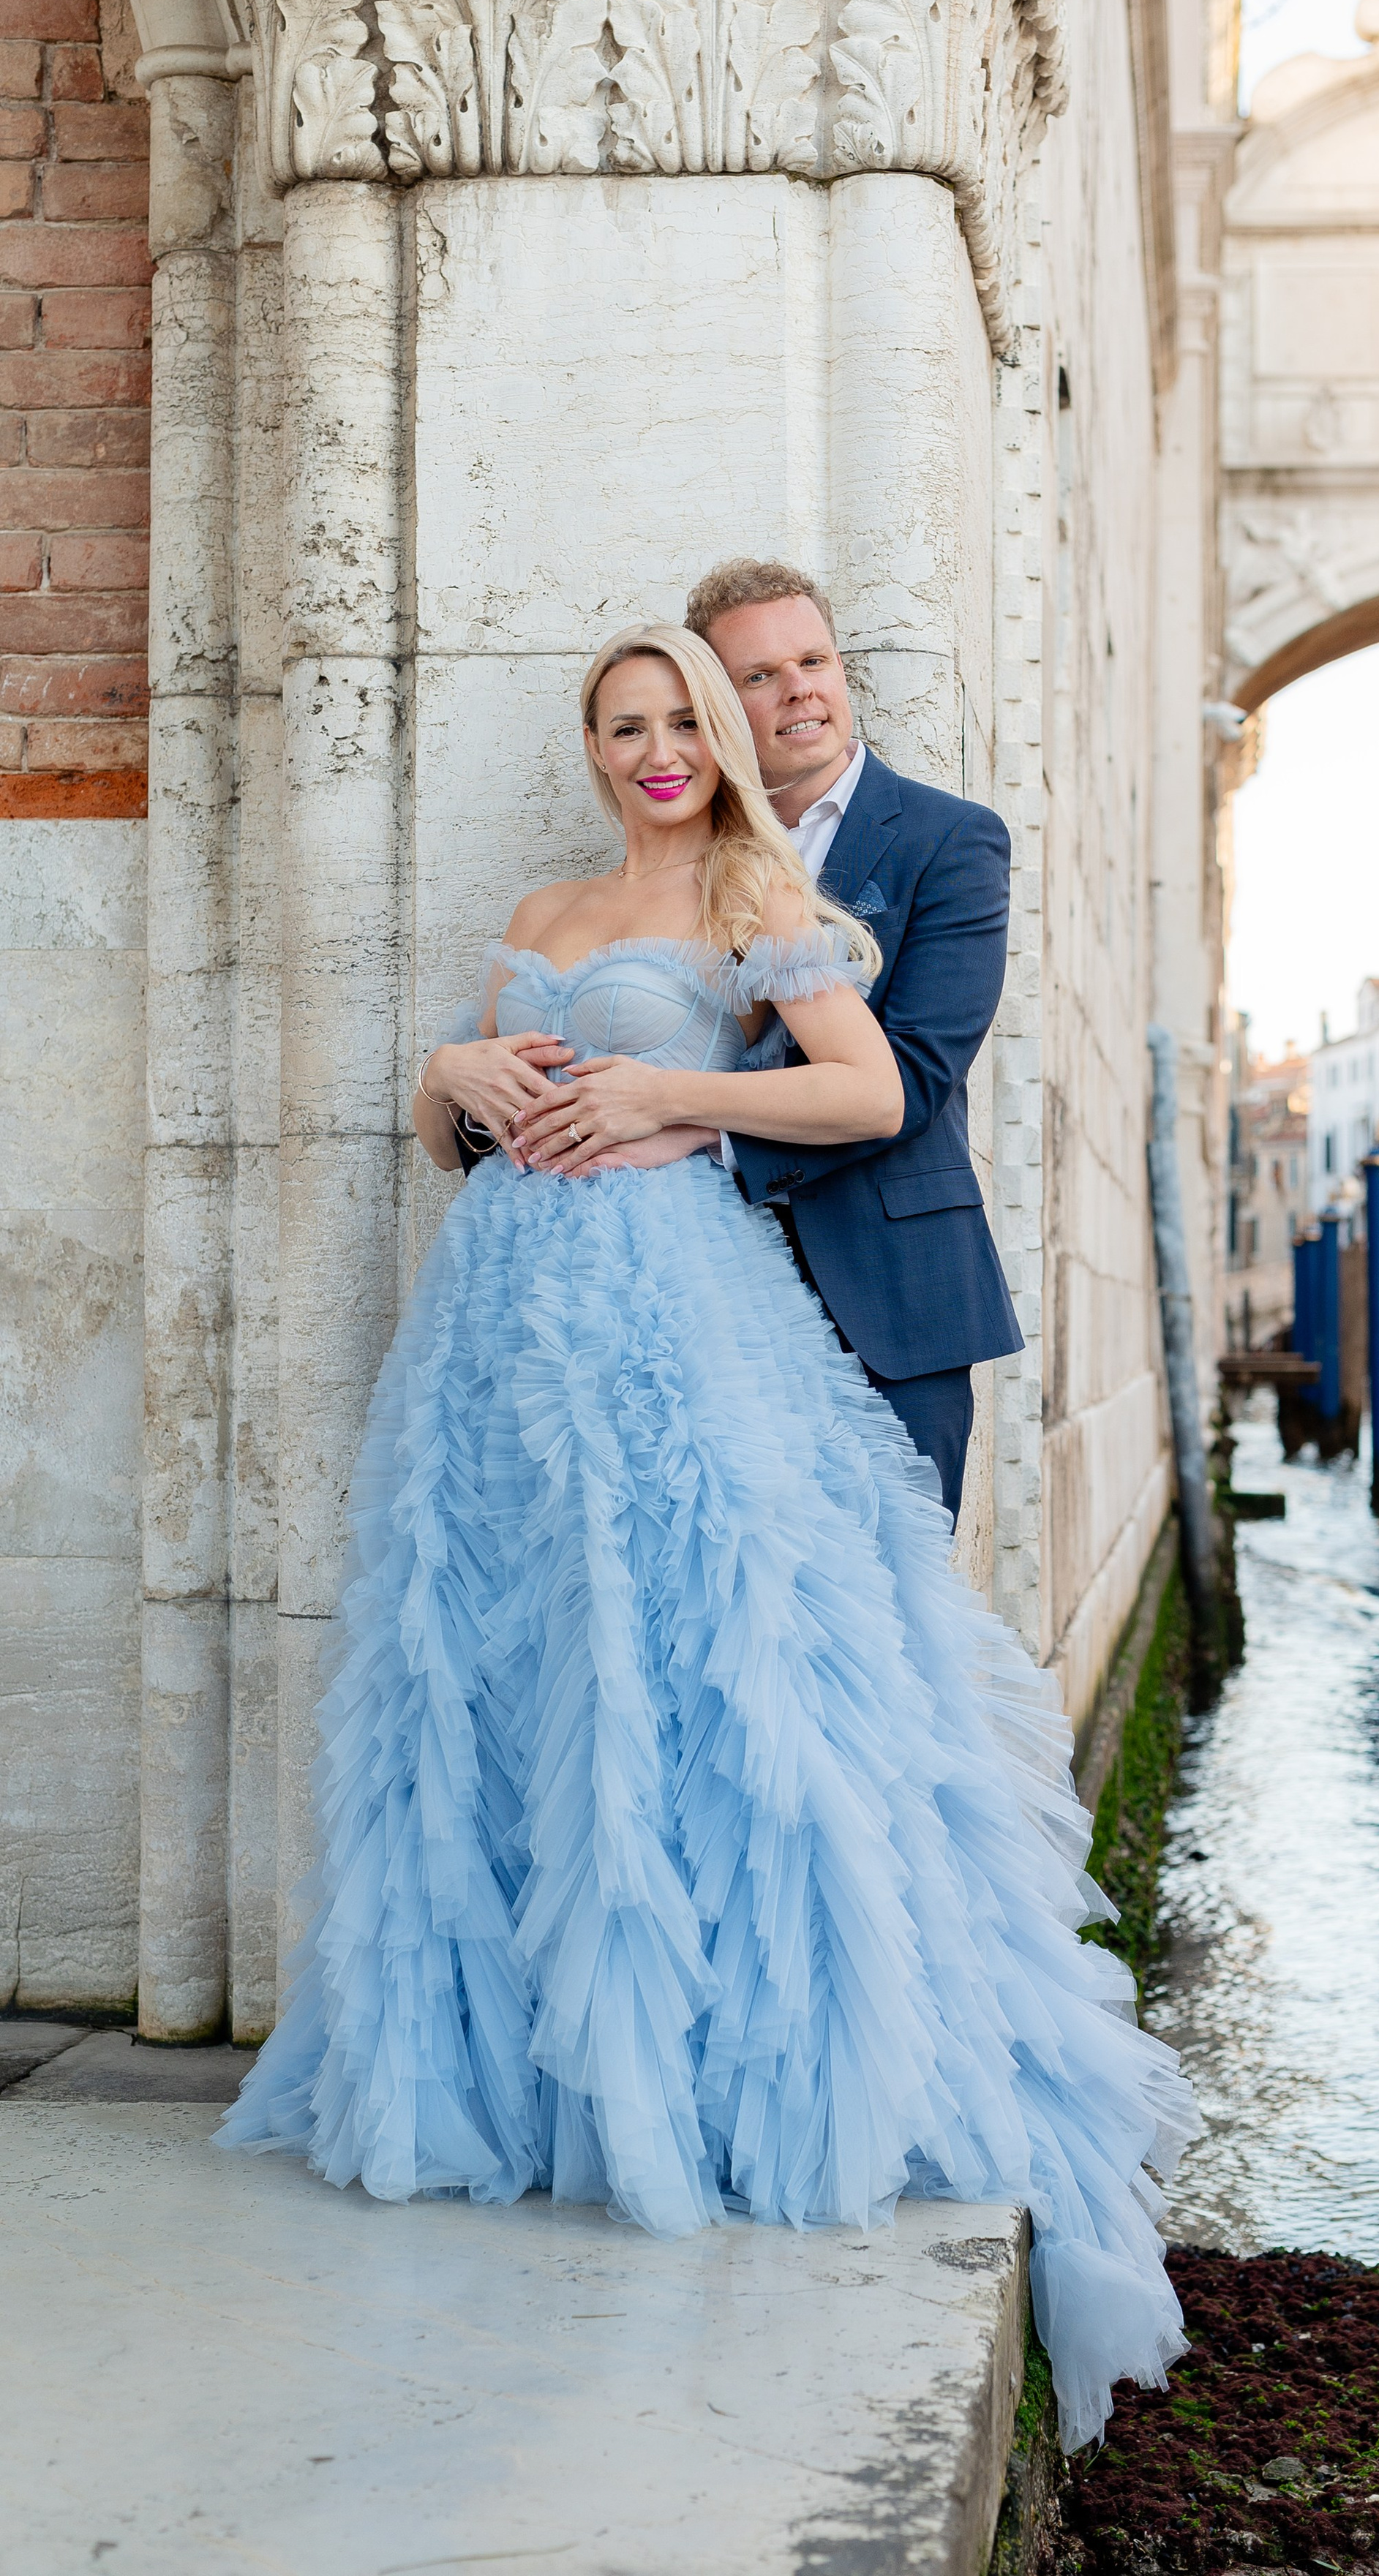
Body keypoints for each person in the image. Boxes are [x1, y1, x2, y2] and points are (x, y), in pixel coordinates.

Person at [219, 619, 1196, 2452]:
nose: (658, 749)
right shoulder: (547, 893)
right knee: (510, 1663)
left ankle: (700, 2080)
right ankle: (525, 2075)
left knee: (690, 1661)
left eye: (684, 720)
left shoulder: (756, 883)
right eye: (625, 725)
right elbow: (457, 1128)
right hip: (500, 1334)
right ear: (590, 746)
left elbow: (868, 1090)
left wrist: (676, 1093)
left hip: (674, 1327)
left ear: (723, 739)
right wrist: (456, 1070)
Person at [514, 558, 1021, 1524]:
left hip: (885, 1299)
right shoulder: (662, 877)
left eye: (814, 661)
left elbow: (907, 1083)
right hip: (694, 1312)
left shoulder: (949, 842)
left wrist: (690, 1118)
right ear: (714, 705)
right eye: (759, 676)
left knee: (882, 1634)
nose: (798, 691)